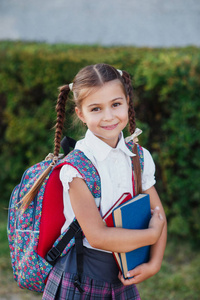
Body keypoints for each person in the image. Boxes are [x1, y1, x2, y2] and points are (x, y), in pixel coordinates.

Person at [42, 63, 167, 300]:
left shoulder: (139, 157)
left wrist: (154, 264)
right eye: (96, 108)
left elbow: (158, 213)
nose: (109, 116)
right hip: (81, 277)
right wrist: (151, 236)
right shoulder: (76, 168)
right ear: (81, 113)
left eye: (116, 104)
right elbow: (97, 236)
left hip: (122, 271)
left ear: (128, 103)